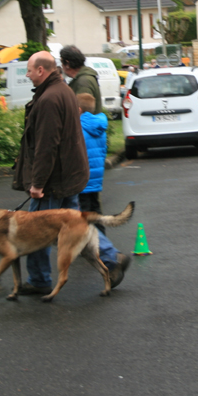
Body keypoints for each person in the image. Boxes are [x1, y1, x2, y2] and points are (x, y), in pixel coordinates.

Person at [12, 51, 129, 294]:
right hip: (70, 176)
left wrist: (38, 183)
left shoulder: (48, 99)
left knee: (37, 231)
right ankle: (111, 257)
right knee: (78, 226)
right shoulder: (64, 90)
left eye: (30, 70)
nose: (28, 74)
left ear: (42, 71)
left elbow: (47, 145)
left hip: (54, 181)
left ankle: (39, 280)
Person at [75, 92, 130, 281]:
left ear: (79, 110)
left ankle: (104, 252)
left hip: (81, 181)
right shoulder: (100, 126)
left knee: (83, 218)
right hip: (95, 180)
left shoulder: (78, 128)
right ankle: (100, 248)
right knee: (96, 214)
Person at [60, 45, 102, 115]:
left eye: (62, 62)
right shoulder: (84, 78)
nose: (61, 66)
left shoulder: (84, 82)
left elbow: (84, 113)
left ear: (67, 63)